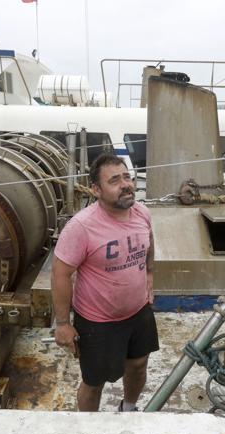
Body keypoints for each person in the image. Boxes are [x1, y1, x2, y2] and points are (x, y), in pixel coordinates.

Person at [52, 153, 158, 412]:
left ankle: (129, 408)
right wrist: (63, 324)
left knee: (138, 364)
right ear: (96, 190)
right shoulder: (82, 227)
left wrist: (150, 277)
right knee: (94, 381)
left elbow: (149, 244)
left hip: (138, 311)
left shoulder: (142, 213)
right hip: (98, 321)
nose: (125, 184)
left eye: (127, 177)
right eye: (114, 180)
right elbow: (60, 274)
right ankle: (89, 429)